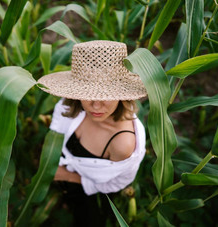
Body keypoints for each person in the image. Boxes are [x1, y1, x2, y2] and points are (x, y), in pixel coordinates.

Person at [38, 40, 147, 226]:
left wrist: (66, 175)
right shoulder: (69, 104)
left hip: (92, 195)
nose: (96, 106)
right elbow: (56, 132)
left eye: (105, 96)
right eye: (87, 94)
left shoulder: (123, 142)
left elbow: (117, 184)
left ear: (122, 94)